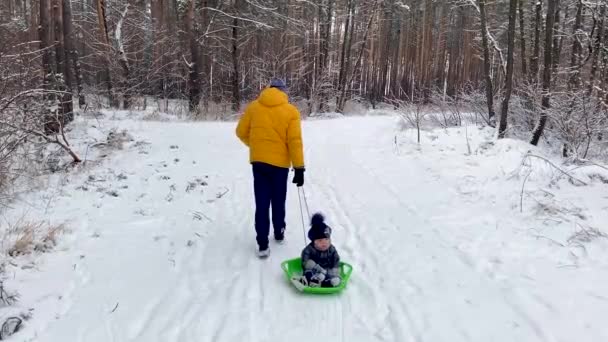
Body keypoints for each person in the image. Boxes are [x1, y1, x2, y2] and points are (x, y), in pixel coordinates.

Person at [236, 78, 305, 258]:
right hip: (280, 165)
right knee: (278, 200)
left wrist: (256, 146)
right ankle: (279, 232)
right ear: (283, 91)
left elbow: (240, 132)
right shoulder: (291, 111)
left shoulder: (253, 107)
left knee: (262, 202)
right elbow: (294, 142)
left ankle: (262, 244)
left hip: (258, 163)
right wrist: (299, 167)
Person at [298, 213, 341, 288]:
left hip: (328, 270)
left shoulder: (331, 249)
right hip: (315, 270)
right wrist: (314, 266)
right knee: (310, 271)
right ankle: (312, 280)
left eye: (327, 239)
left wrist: (334, 269)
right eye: (320, 240)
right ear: (314, 241)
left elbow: (336, 260)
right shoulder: (309, 249)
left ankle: (328, 282)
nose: (324, 243)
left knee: (334, 277)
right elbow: (305, 260)